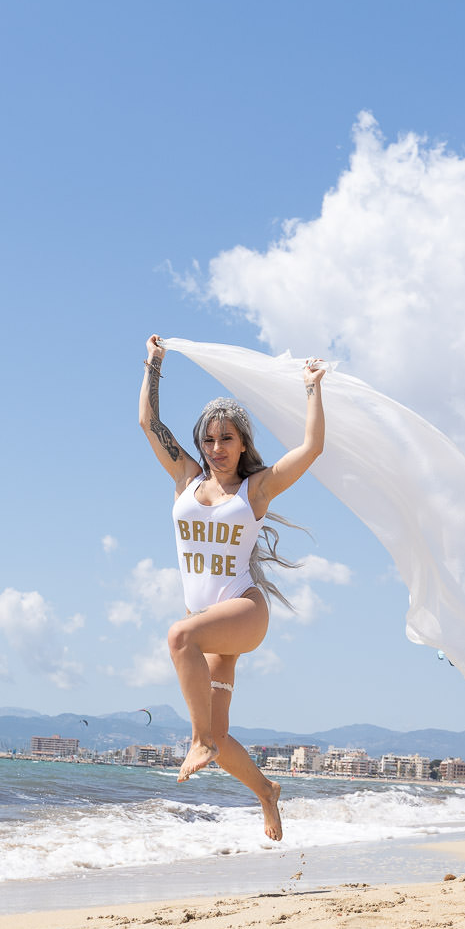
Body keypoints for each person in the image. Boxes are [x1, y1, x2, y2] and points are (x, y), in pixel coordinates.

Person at [138, 334, 327, 841]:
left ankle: (197, 740)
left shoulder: (254, 489)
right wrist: (154, 365)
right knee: (221, 738)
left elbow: (311, 448)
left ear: (242, 442)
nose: (216, 449)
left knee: (180, 638)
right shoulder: (184, 478)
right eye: (208, 440)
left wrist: (312, 389)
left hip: (243, 613)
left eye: (226, 439)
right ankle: (266, 791)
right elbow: (148, 424)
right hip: (211, 623)